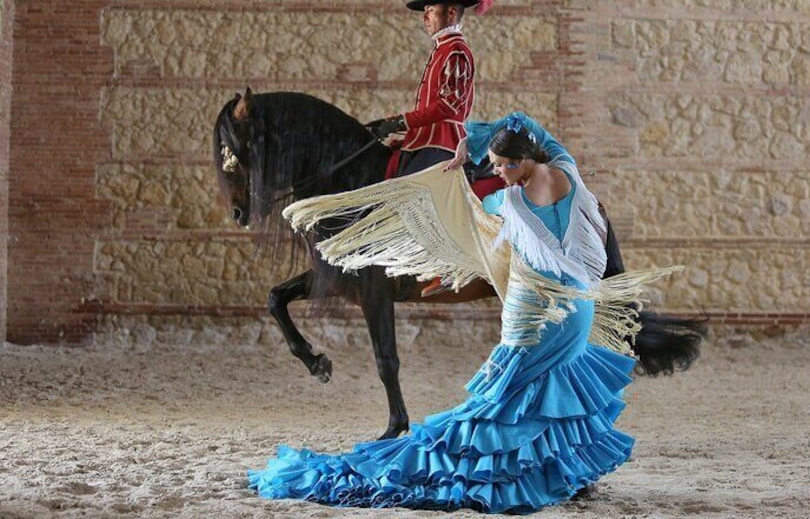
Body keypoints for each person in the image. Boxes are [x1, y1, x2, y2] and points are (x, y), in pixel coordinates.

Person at [252, 112, 678, 513]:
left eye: (499, 166)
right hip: (578, 310)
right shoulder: (567, 169)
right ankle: (559, 472)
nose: (494, 173)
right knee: (553, 387)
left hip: (536, 315)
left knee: (501, 402)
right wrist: (476, 145)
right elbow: (524, 124)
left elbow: (474, 235)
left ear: (520, 163)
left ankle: (497, 472)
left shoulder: (512, 204)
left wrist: (464, 147)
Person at [369, 0, 493, 180]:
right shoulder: (442, 49)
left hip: (442, 143)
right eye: (425, 12)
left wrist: (403, 122)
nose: (425, 18)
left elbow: (449, 106)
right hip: (424, 141)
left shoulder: (456, 51)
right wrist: (396, 123)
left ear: (451, 13)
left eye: (431, 10)